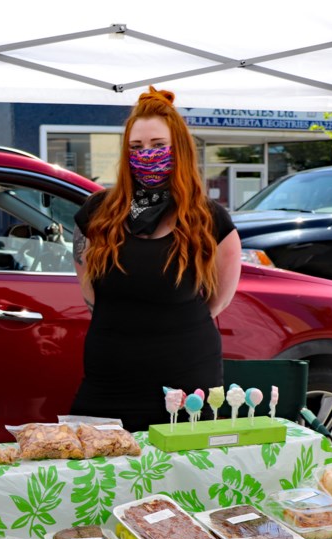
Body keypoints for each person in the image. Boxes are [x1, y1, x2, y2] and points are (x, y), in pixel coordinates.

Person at [70, 87, 241, 431]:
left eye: (158, 146)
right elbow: (90, 293)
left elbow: (219, 298)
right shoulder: (96, 214)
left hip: (187, 385)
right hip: (109, 381)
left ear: (179, 148)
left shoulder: (209, 219)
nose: (146, 155)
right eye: (136, 148)